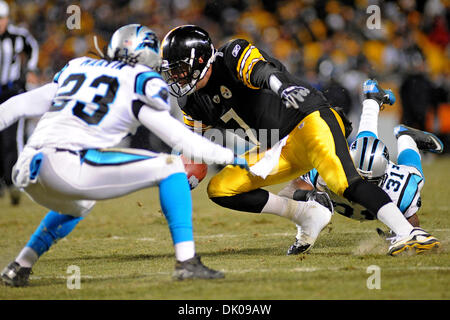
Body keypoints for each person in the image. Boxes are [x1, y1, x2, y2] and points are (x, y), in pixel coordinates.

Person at [0, 24, 249, 287]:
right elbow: (180, 139)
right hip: (66, 164)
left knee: (80, 204)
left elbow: (16, 105)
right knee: (171, 166)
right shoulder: (140, 80)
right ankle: (187, 262)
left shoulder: (79, 67)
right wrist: (230, 156)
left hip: (27, 167)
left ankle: (20, 266)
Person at [160, 25, 440, 257]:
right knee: (222, 188)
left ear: (200, 60)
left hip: (310, 119)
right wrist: (181, 180)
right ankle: (306, 213)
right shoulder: (190, 101)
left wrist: (281, 87)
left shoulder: (231, 55)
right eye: (171, 71)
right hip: (279, 146)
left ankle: (408, 232)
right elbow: (193, 150)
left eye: (179, 69)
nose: (175, 77)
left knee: (347, 182)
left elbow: (260, 70)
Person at [280, 79, 444, 255]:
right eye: (358, 175)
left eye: (368, 182)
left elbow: (412, 223)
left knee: (416, 177)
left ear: (382, 177)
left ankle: (406, 137)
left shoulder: (401, 187)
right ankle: (371, 99)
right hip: (355, 161)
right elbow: (288, 191)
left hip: (388, 176)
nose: (361, 185)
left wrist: (401, 233)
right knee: (364, 141)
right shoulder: (330, 168)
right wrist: (308, 195)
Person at [0, 0, 39, 205]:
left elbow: (32, 47)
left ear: (7, 19)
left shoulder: (18, 36)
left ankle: (13, 181)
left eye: (1, 19)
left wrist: (30, 69)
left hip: (11, 92)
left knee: (12, 139)